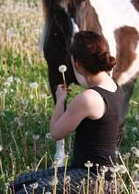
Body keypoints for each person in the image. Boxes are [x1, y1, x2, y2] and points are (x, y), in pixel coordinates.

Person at [10, 31, 125, 193]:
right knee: (16, 185)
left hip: (95, 178)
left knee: (26, 192)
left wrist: (60, 100)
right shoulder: (114, 86)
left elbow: (56, 132)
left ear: (76, 64)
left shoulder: (88, 98)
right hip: (95, 172)